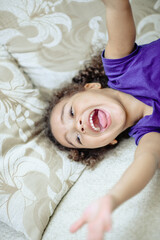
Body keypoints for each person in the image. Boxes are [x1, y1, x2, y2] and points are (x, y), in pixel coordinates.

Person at [44, 0, 160, 239]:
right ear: (108, 142)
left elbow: (117, 7)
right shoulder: (149, 132)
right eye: (77, 137)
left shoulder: (120, 65)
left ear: (91, 87)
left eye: (72, 113)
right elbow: (147, 161)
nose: (79, 125)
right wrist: (111, 199)